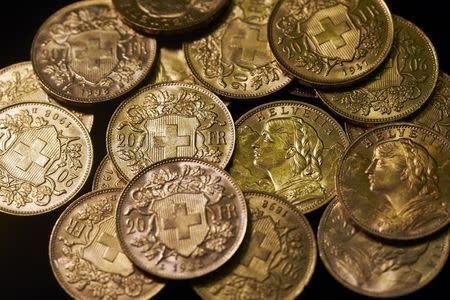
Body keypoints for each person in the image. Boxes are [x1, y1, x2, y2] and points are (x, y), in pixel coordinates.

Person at [365, 138, 448, 234]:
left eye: (380, 163)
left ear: (405, 172)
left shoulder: (431, 219)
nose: (368, 170)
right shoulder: (383, 219)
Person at [252, 116, 324, 205]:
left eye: (266, 139)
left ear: (291, 151)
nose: (255, 144)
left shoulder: (307, 196)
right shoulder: (277, 195)